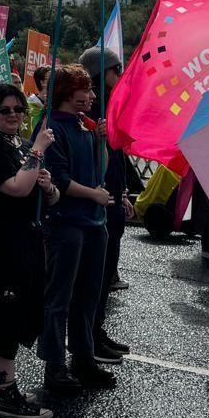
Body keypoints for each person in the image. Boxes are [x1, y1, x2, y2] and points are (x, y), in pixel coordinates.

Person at [0, 83, 57, 418]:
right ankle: (6, 391)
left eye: (18, 109)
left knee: (15, 312)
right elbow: (18, 188)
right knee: (2, 316)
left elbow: (47, 197)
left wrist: (48, 186)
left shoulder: (21, 146)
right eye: (5, 110)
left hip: (26, 243)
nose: (13, 115)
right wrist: (36, 152)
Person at [39, 63, 116, 396]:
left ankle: (83, 357)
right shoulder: (51, 128)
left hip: (94, 222)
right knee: (60, 297)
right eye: (86, 89)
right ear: (68, 93)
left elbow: (100, 170)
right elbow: (60, 180)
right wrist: (95, 196)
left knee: (89, 295)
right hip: (67, 224)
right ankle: (54, 366)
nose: (92, 95)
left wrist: (101, 142)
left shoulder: (85, 126)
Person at [80, 46, 138, 359]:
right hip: (99, 200)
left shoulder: (112, 105)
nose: (121, 76)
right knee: (96, 276)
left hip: (114, 195)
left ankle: (97, 330)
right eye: (117, 71)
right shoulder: (91, 111)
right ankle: (89, 336)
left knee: (105, 273)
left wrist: (125, 192)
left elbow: (118, 155)